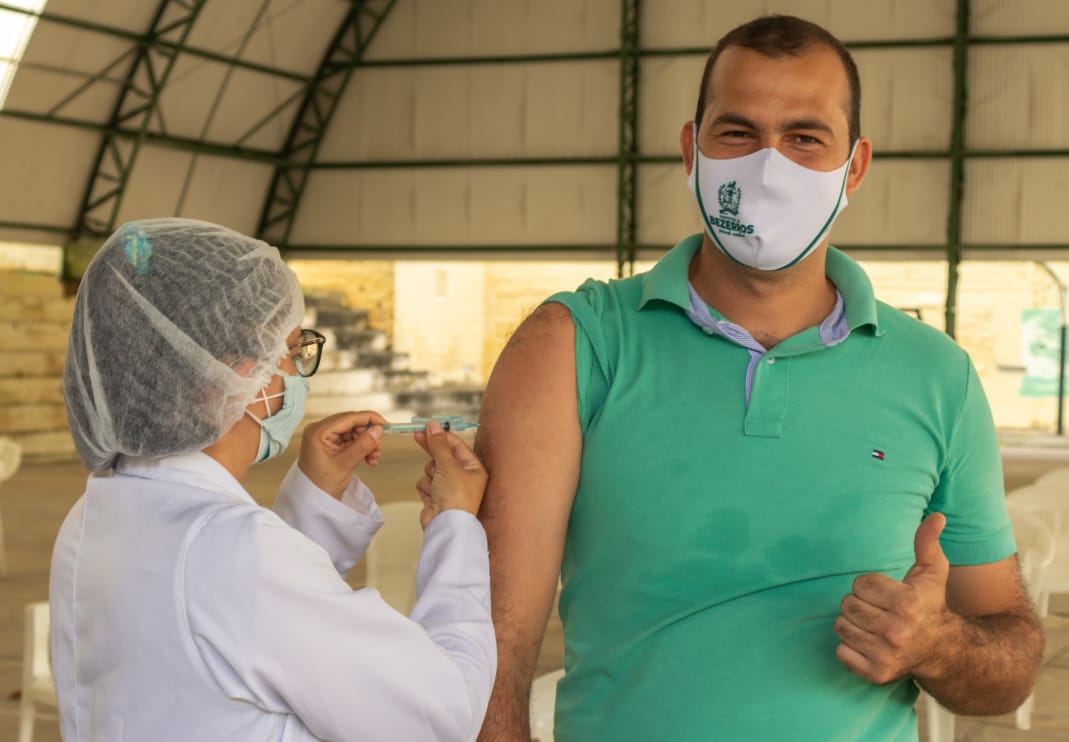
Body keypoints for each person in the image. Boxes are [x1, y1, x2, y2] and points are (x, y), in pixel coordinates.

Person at [475, 14, 1043, 742]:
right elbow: (491, 634)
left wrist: (937, 645)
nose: (769, 168)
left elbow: (1009, 663)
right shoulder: (574, 344)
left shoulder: (938, 377)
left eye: (805, 137)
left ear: (854, 167)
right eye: (738, 132)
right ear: (691, 150)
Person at [52, 218, 495, 742]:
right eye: (293, 352)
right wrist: (455, 525)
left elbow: (239, 635)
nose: (297, 372)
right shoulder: (235, 551)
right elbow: (440, 713)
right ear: (246, 377)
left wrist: (315, 495)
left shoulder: (94, 517)